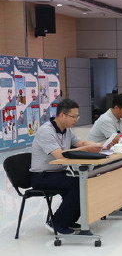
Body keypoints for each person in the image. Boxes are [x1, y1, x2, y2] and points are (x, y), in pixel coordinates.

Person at [30, 99, 102, 235]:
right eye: (74, 116)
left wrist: (98, 145)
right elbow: (60, 155)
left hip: (58, 173)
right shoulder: (46, 131)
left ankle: (68, 220)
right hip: (42, 176)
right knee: (77, 183)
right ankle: (56, 222)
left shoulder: (66, 130)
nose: (76, 119)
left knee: (84, 181)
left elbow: (80, 143)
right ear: (63, 115)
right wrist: (87, 148)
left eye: (77, 116)